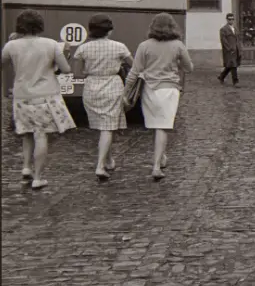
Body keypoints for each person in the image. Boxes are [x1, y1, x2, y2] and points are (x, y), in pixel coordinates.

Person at [0, 9, 77, 189]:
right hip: (45, 95)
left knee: (27, 133)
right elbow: (66, 69)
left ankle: (26, 167)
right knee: (41, 135)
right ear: (39, 25)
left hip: (21, 95)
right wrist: (64, 55)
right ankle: (38, 177)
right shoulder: (51, 44)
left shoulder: (11, 46)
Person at [126, 12, 193, 180]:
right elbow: (189, 68)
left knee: (155, 125)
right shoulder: (178, 45)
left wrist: (125, 92)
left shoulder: (144, 46)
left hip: (149, 89)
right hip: (169, 89)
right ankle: (156, 166)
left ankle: (161, 157)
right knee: (163, 126)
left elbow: (134, 72)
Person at [72, 14, 134, 181]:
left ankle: (108, 160)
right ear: (109, 30)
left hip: (91, 87)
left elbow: (78, 73)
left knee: (103, 126)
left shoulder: (83, 49)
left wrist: (91, 70)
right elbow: (133, 65)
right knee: (108, 126)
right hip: (112, 85)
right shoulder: (119, 47)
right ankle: (100, 165)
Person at [218, 13, 241, 86]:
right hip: (229, 50)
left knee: (230, 65)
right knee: (233, 65)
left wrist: (239, 47)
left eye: (232, 19)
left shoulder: (235, 28)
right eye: (229, 19)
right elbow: (223, 40)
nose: (231, 21)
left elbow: (238, 39)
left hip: (236, 49)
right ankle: (235, 82)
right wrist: (229, 49)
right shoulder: (223, 29)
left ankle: (221, 76)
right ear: (227, 20)